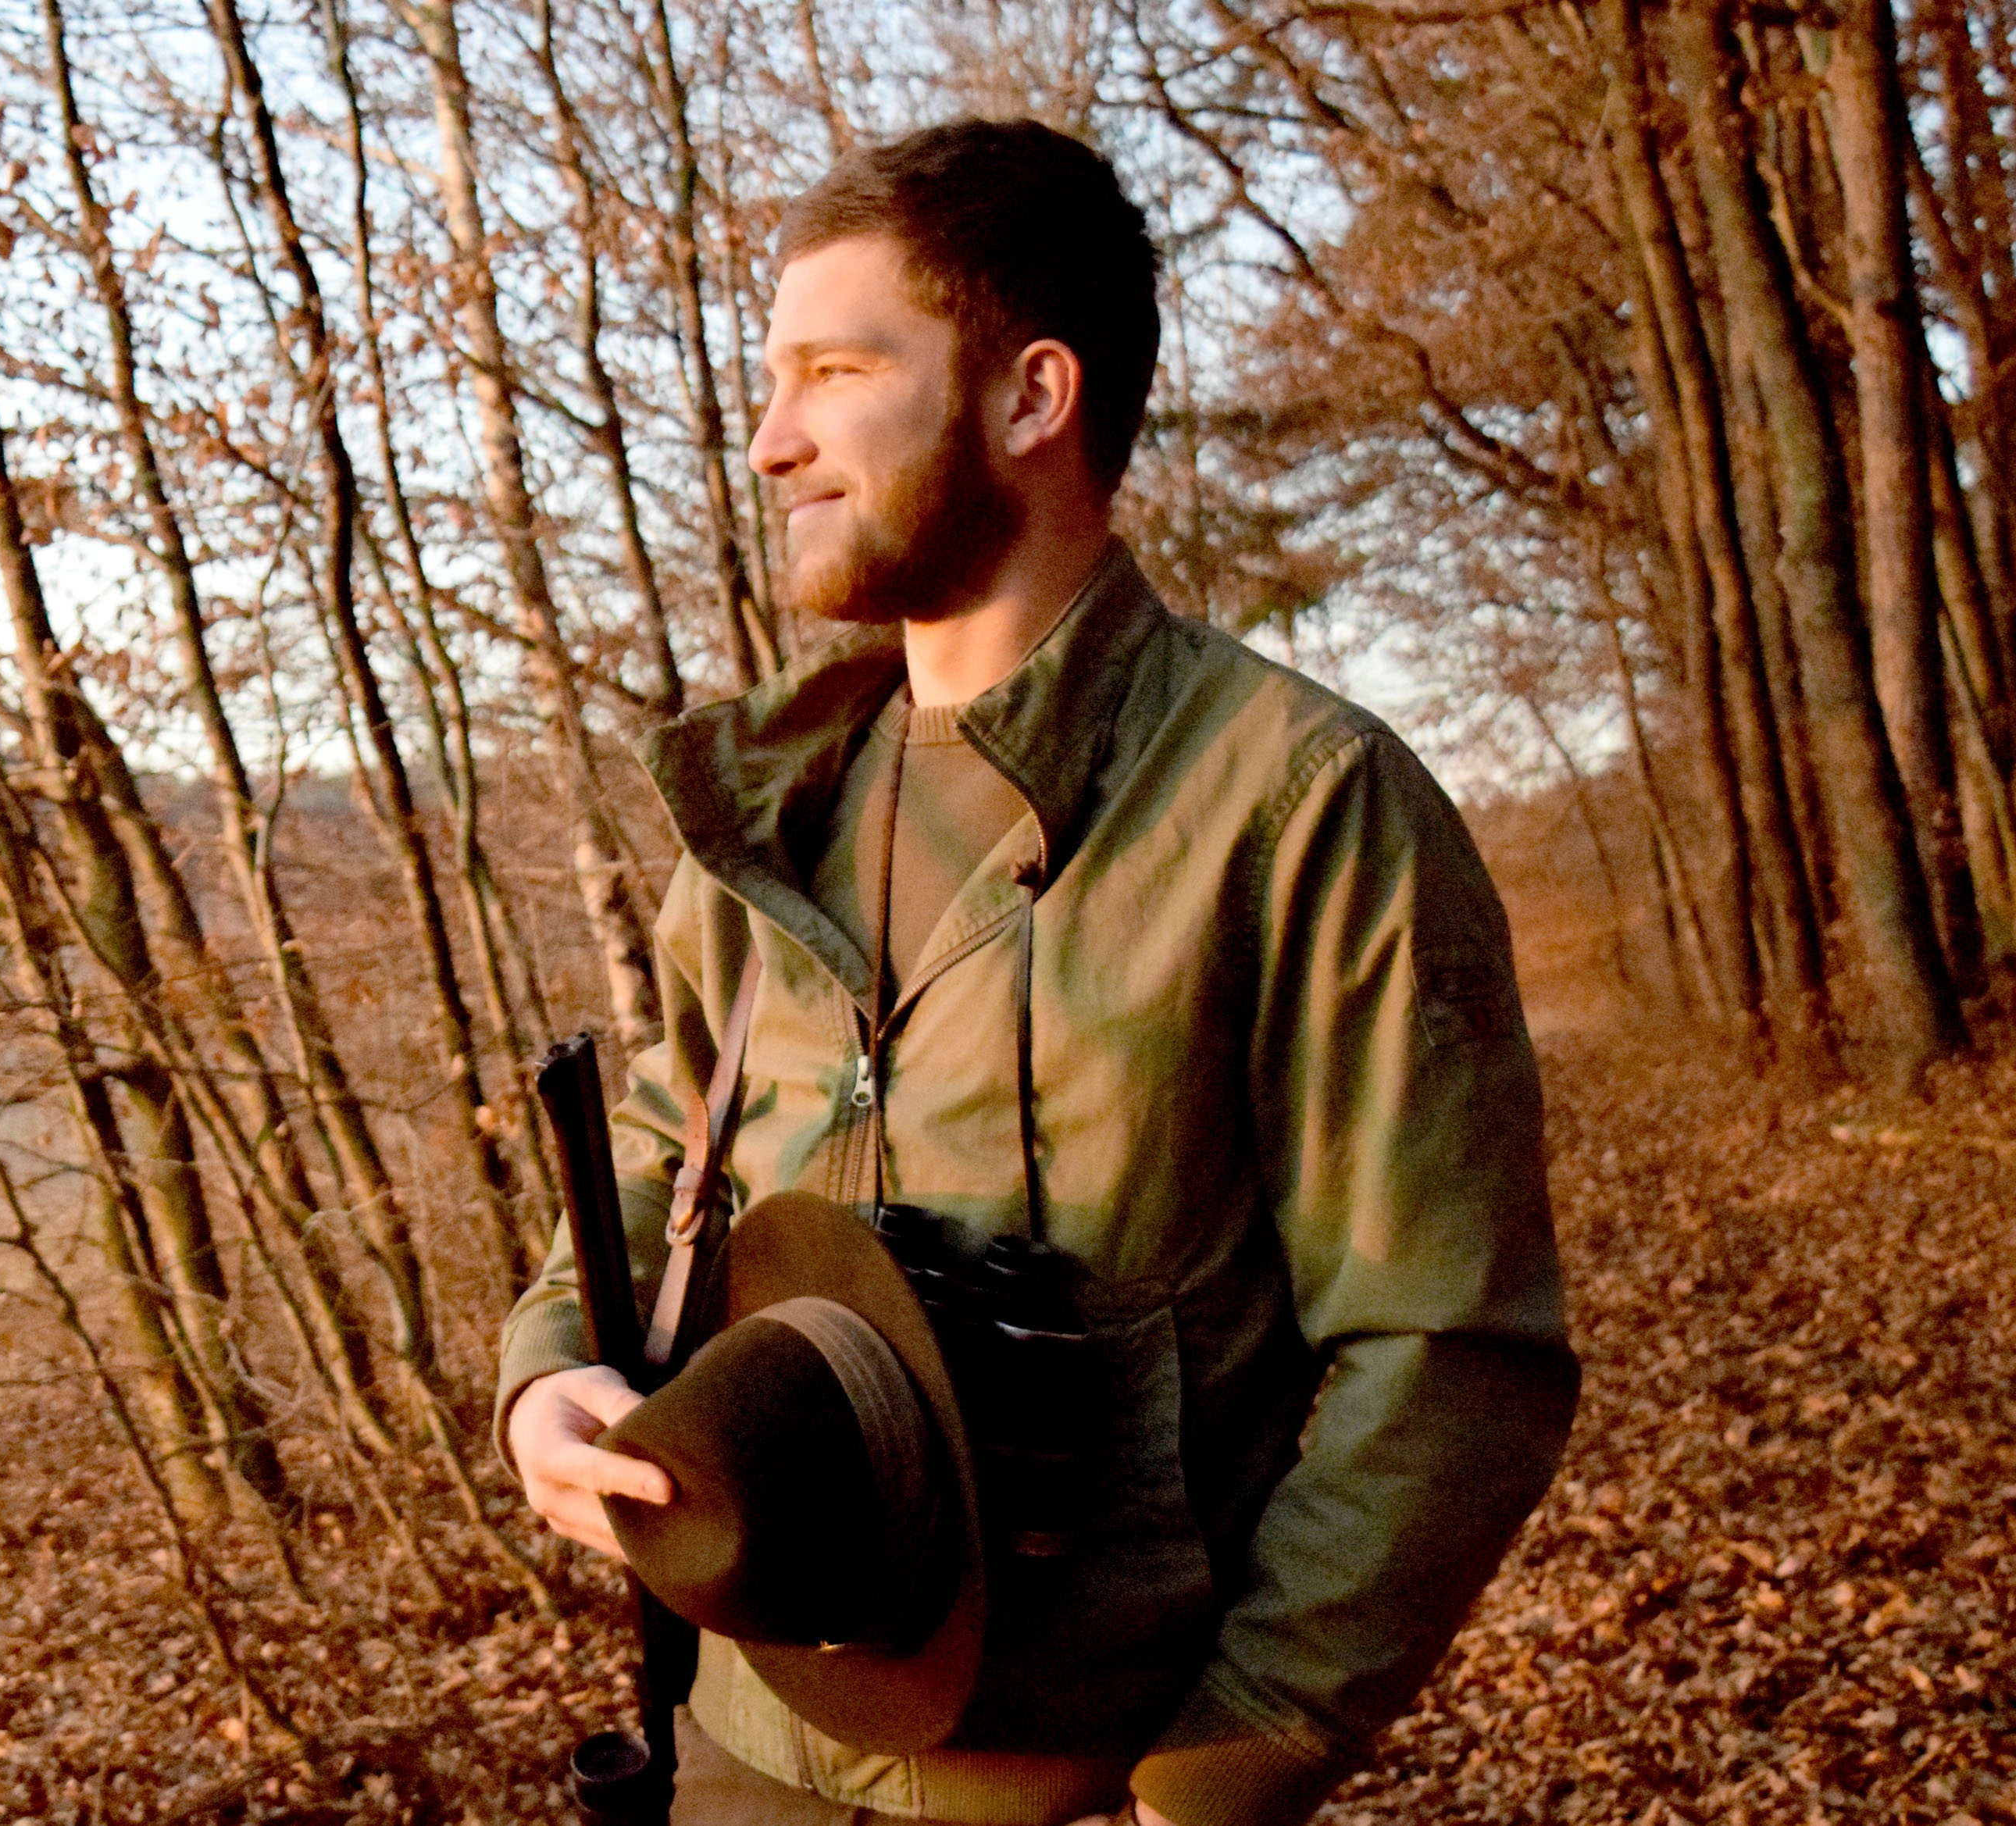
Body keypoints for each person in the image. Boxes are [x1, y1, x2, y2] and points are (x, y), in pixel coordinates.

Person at [495, 119, 1578, 1826]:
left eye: (833, 372)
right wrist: (549, 1363)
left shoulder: (1291, 801)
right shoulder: (778, 811)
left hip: (1088, 1784)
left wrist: (1219, 1773)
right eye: (769, 387)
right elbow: (656, 1150)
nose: (770, 443)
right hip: (738, 1750)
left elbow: (1447, 1350)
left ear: (1030, 396)